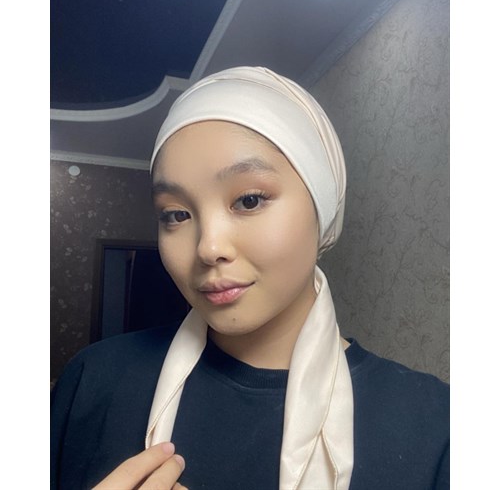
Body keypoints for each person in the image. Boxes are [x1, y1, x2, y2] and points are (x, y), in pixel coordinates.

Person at [51, 67, 449, 490]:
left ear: (322, 206)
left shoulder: (435, 427)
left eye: (249, 200)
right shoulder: (93, 380)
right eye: (176, 214)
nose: (208, 248)